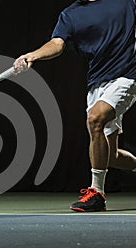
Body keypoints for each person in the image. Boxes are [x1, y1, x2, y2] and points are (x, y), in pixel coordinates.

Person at [14, 0, 136, 212]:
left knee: (95, 119)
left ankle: (97, 193)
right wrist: (33, 54)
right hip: (97, 81)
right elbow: (57, 43)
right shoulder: (70, 14)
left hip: (128, 73)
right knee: (111, 156)